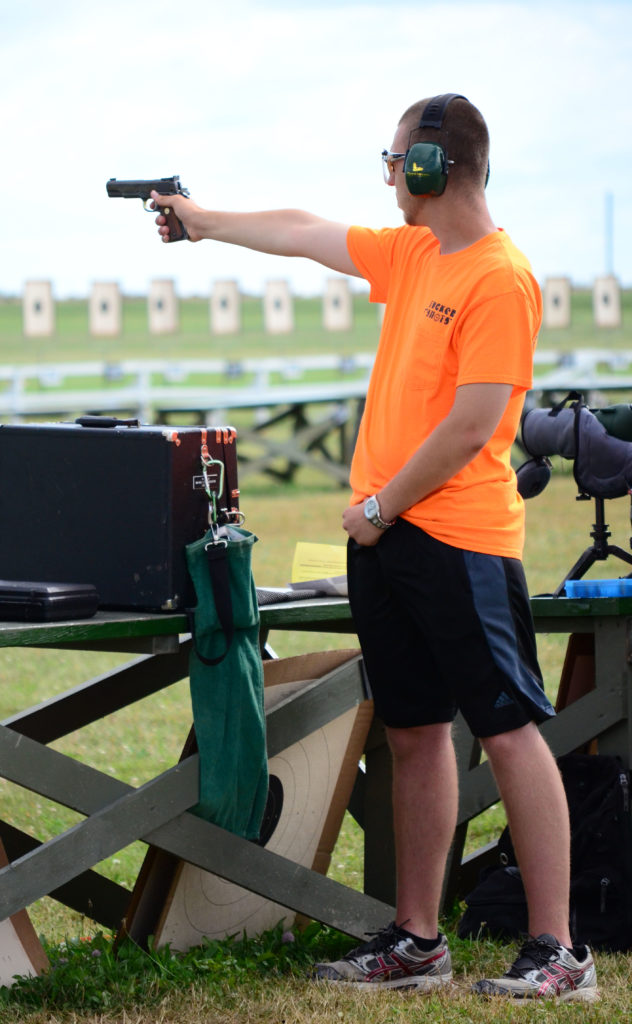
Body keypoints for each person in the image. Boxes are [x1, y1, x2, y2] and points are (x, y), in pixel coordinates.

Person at [152, 93, 598, 1003]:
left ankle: (560, 951)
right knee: (416, 735)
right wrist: (204, 225)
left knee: (510, 736)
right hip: (391, 539)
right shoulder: (415, 253)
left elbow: (476, 423)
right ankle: (419, 940)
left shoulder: (499, 277)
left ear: (434, 167)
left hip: (458, 541)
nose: (389, 175)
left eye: (395, 161)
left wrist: (383, 507)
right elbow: (303, 231)